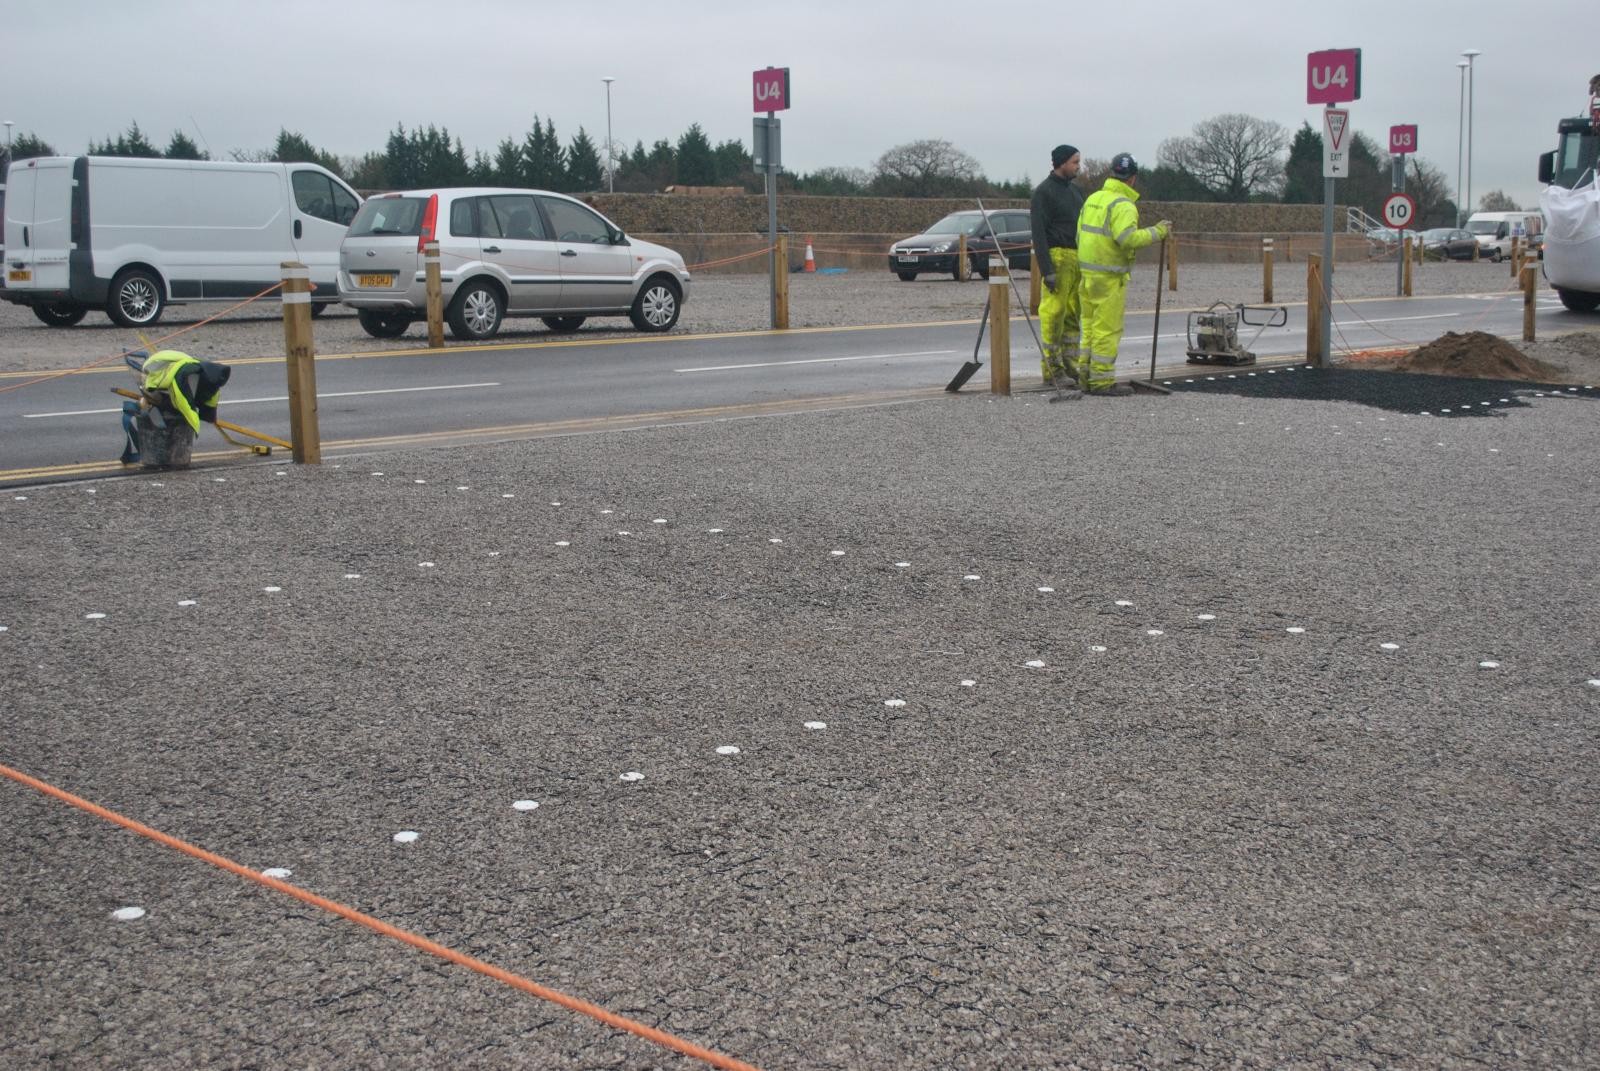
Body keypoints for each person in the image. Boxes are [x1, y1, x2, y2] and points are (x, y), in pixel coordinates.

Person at [1075, 153, 1171, 396]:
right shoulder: (1124, 205)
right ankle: (1101, 381)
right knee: (1107, 329)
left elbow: (1079, 235)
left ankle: (1084, 376)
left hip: (1086, 274)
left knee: (1088, 327)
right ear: (1133, 178)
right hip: (1109, 277)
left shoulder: (1093, 199)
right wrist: (1157, 232)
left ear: (1112, 173)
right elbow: (1127, 239)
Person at [1030, 144, 1085, 391]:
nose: (1078, 166)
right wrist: (1047, 269)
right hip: (1057, 257)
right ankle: (1053, 369)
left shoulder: (1075, 192)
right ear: (1061, 162)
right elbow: (1038, 234)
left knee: (1073, 315)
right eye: (1075, 162)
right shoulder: (1043, 192)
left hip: (1077, 257)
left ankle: (1072, 367)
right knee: (1054, 314)